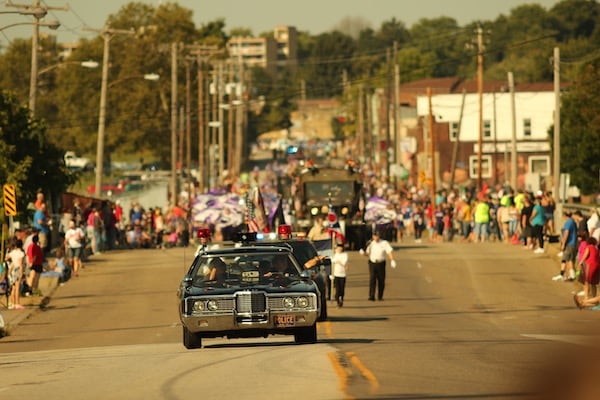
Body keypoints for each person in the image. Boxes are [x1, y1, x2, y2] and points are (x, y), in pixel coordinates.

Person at [361, 231, 396, 301]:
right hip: (372, 263)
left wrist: (392, 260)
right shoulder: (370, 243)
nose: (376, 238)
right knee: (372, 279)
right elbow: (368, 253)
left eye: (377, 236)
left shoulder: (384, 243)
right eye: (375, 236)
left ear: (379, 236)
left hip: (381, 263)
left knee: (381, 280)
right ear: (373, 236)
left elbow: (389, 252)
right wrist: (363, 253)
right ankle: (371, 295)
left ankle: (380, 296)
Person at [553, 211, 578, 281]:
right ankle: (572, 275)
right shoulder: (573, 222)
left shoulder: (568, 222)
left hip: (569, 243)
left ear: (564, 216)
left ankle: (562, 274)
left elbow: (566, 233)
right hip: (573, 243)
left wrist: (563, 244)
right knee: (570, 260)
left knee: (564, 259)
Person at [575, 237, 599, 302]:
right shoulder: (596, 249)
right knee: (593, 283)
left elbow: (585, 255)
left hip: (590, 265)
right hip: (597, 266)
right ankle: (594, 298)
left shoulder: (588, 247)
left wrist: (580, 262)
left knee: (586, 282)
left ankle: (586, 297)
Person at [5, 238, 26, 310]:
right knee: (17, 288)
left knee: (13, 288)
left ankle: (12, 303)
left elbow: (6, 258)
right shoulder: (21, 253)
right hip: (17, 270)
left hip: (12, 270)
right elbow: (21, 264)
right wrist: (21, 273)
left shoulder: (12, 252)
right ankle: (17, 303)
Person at [332, 242, 349, 307]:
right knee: (337, 289)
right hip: (336, 274)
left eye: (340, 248)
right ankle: (338, 301)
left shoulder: (345, 254)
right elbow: (333, 260)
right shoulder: (335, 254)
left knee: (342, 289)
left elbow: (344, 262)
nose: (339, 249)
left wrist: (338, 261)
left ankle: (341, 298)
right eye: (338, 248)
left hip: (343, 274)